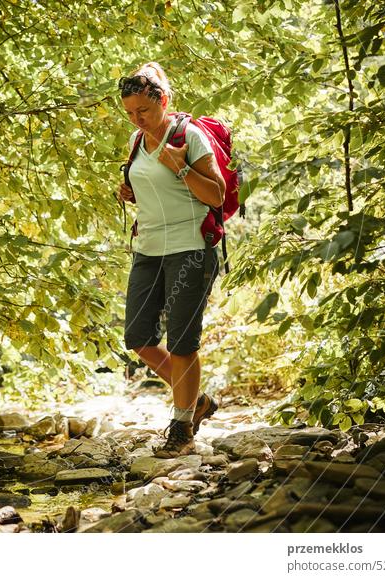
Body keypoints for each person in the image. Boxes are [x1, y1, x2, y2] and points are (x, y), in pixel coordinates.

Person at [117, 62, 225, 458]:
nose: (136, 118)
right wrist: (129, 191)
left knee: (182, 343)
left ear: (162, 101)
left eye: (142, 111)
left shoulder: (190, 137)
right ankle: (197, 401)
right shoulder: (136, 140)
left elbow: (216, 194)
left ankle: (181, 429)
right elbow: (145, 183)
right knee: (139, 337)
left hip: (191, 249)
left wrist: (180, 167)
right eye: (129, 113)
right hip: (148, 250)